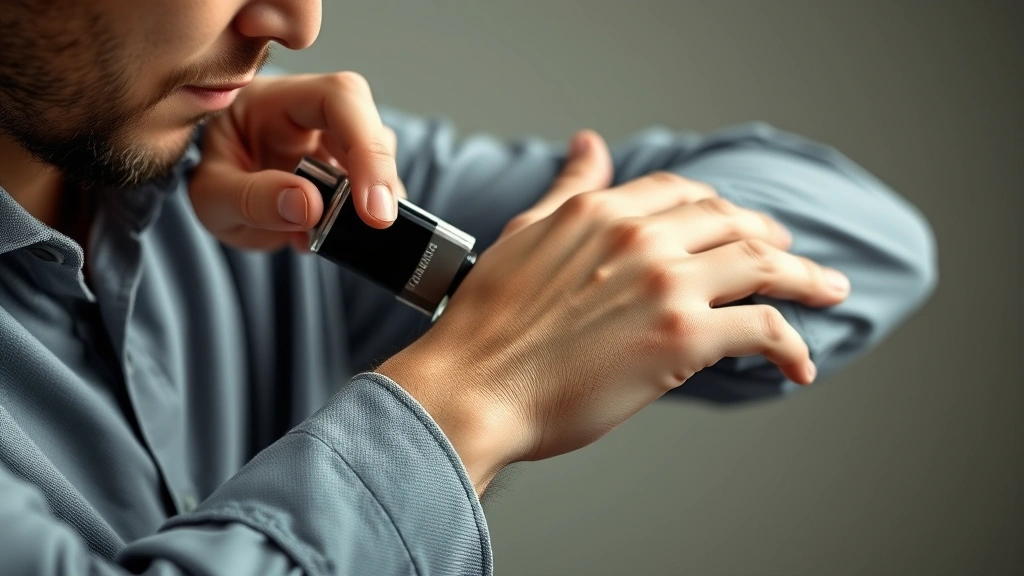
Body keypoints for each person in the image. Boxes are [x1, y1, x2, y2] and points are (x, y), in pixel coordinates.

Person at [0, 1, 937, 574]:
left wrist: (571, 297)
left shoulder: (261, 166)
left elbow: (872, 240)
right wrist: (480, 393)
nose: (295, 22)